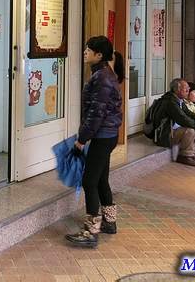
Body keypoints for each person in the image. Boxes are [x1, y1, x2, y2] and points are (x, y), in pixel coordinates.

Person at [66, 36, 124, 248]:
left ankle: (91, 231)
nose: (85, 52)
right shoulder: (104, 74)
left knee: (89, 181)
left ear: (98, 55)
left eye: (88, 50)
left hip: (102, 136)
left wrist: (82, 139)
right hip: (107, 134)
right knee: (100, 179)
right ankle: (110, 221)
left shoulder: (102, 77)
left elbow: (96, 113)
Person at [151, 78, 195, 167]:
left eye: (188, 88)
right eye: (185, 88)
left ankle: (191, 154)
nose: (188, 90)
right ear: (177, 90)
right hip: (164, 135)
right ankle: (183, 156)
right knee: (190, 130)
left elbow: (189, 114)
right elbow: (182, 119)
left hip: (174, 131)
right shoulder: (170, 102)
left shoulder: (179, 100)